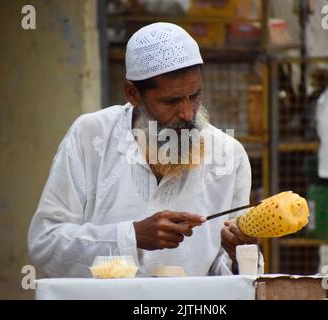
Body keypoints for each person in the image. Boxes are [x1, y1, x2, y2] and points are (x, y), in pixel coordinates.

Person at [28, 22, 262, 278]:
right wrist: (132, 236)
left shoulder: (229, 156)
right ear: (133, 94)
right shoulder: (91, 136)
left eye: (195, 96)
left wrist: (240, 255)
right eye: (171, 101)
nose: (187, 113)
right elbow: (45, 243)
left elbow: (230, 277)